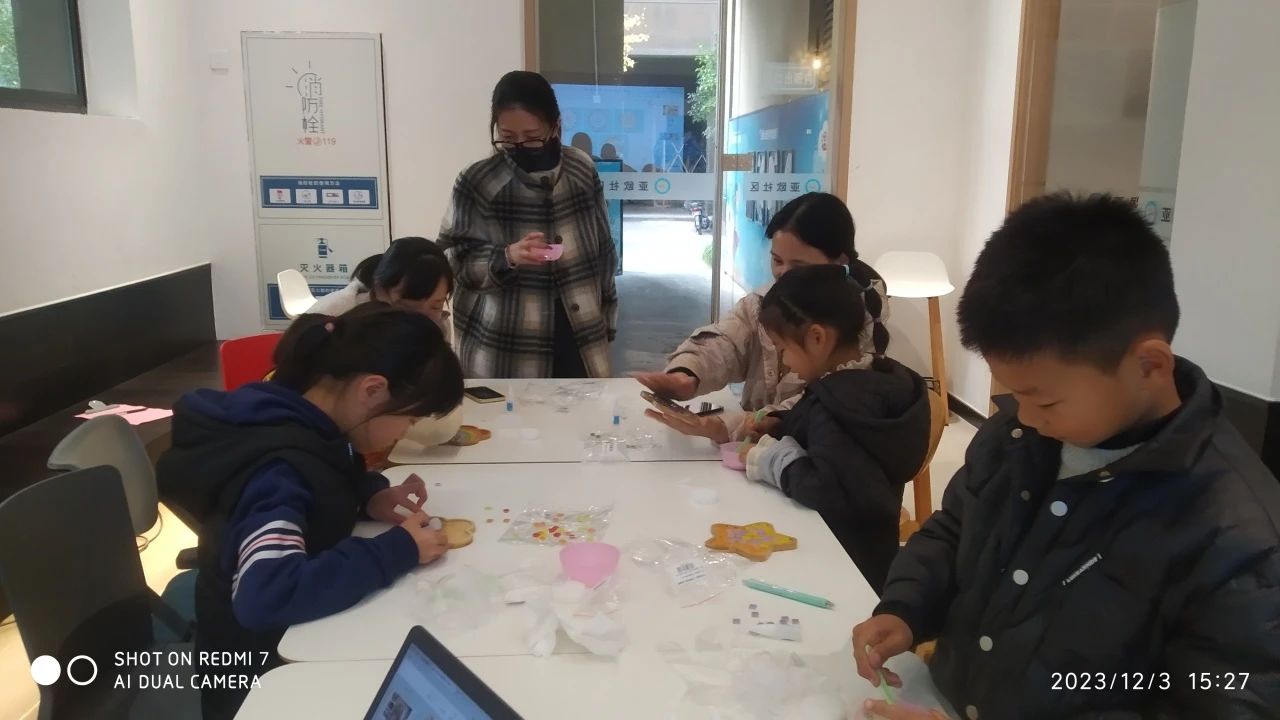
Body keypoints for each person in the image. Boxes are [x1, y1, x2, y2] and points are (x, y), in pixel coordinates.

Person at [853, 194, 1280, 720]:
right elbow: (955, 531)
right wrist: (905, 608)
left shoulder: (1238, 540)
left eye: (1046, 400)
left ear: (1149, 365)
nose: (1027, 416)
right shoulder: (1016, 436)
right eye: (1016, 394)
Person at [156, 303, 465, 719]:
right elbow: (267, 596)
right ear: (372, 390)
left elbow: (328, 471)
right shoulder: (277, 471)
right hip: (258, 682)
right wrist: (396, 550)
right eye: (410, 419)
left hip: (297, 641)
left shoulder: (305, 415)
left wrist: (368, 496)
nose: (407, 430)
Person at [735, 264, 929, 592]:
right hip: (872, 556)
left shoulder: (841, 405)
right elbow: (840, 452)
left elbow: (828, 489)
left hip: (842, 566)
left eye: (784, 349)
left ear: (817, 338)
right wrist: (781, 425)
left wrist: (768, 459)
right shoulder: (872, 381)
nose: (786, 362)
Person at [639, 192, 888, 442]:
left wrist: (733, 427)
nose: (783, 274)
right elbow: (728, 339)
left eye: (799, 266)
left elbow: (816, 408)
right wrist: (688, 372)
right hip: (755, 450)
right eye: (777, 260)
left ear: (839, 262)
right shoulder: (764, 301)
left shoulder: (859, 325)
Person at [438, 70, 617, 378]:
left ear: (556, 127)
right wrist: (506, 257)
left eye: (532, 137)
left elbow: (603, 252)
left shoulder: (581, 170)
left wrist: (608, 321)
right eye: (507, 138)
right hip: (506, 345)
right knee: (514, 411)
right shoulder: (478, 181)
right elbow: (450, 261)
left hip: (580, 332)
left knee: (581, 408)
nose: (519, 146)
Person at [307, 236, 454, 344]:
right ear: (379, 290)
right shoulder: (333, 314)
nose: (424, 321)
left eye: (436, 306)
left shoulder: (438, 323)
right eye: (409, 308)